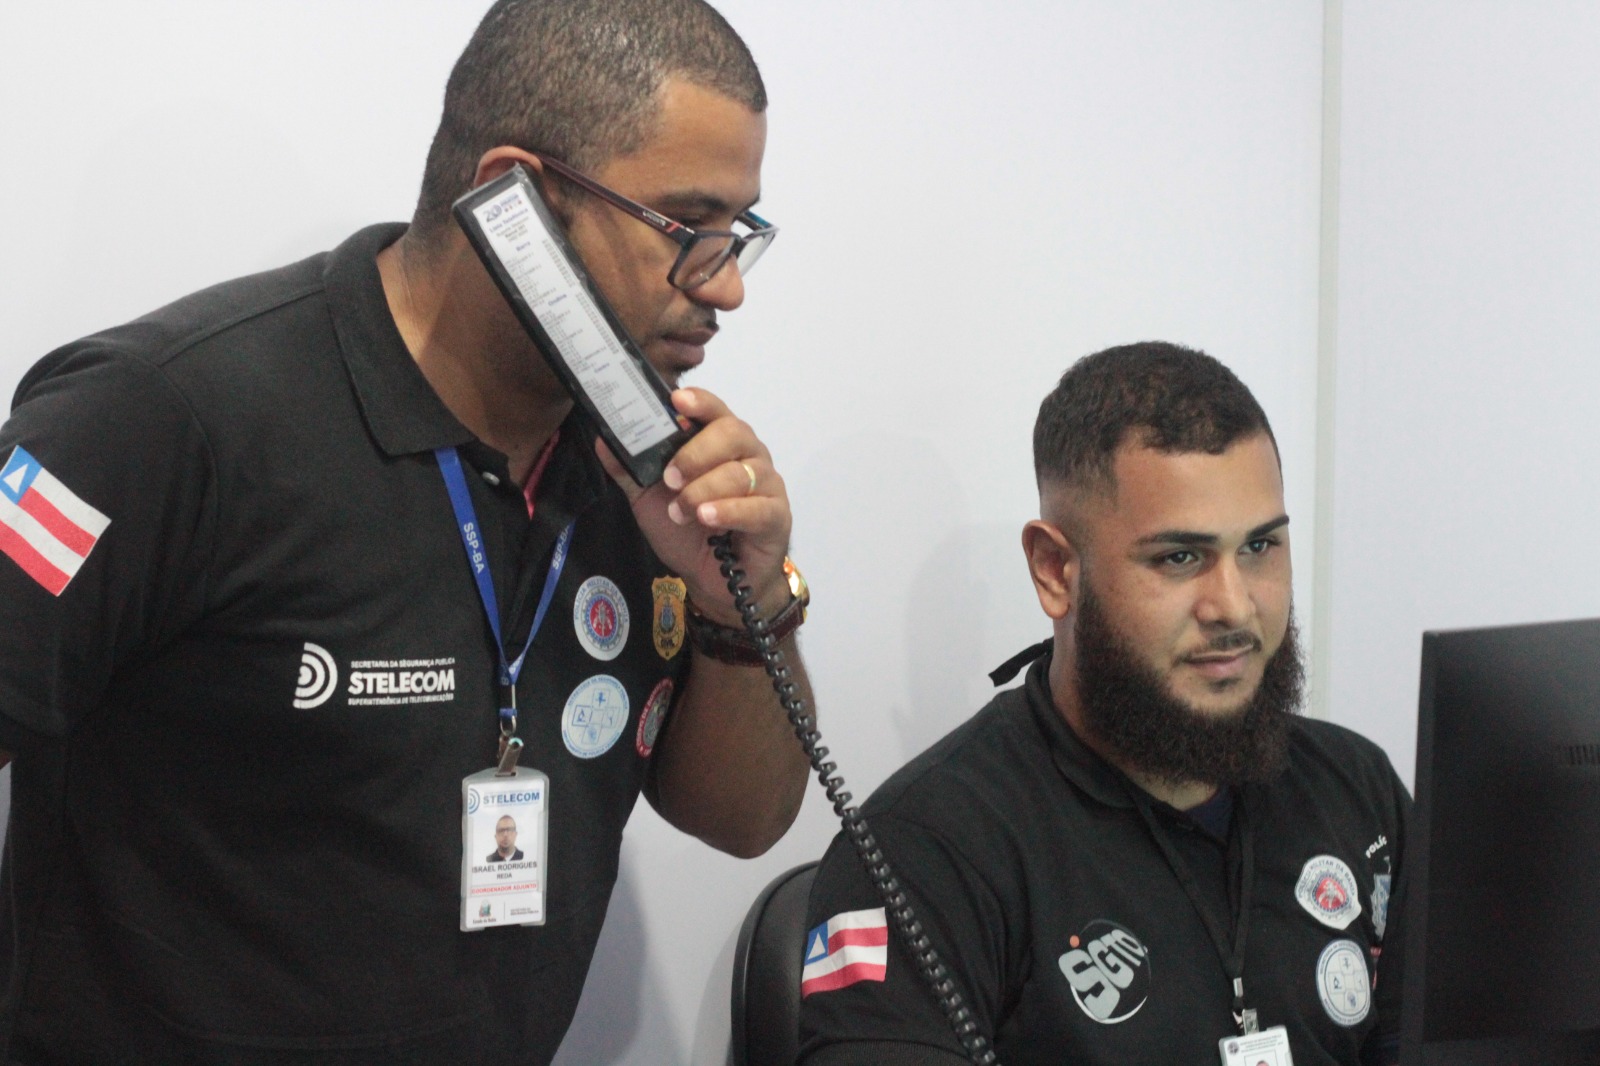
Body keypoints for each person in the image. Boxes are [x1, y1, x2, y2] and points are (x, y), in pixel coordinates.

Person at [0, 0, 811, 1061]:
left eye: (738, 233)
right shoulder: (159, 417)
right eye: (686, 229)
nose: (726, 285)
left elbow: (742, 822)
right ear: (513, 198)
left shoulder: (645, 472)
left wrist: (739, 606)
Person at [798, 343, 1406, 1066]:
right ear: (1056, 570)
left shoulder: (1355, 790)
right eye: (1180, 557)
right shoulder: (927, 852)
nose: (1235, 606)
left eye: (1259, 547)